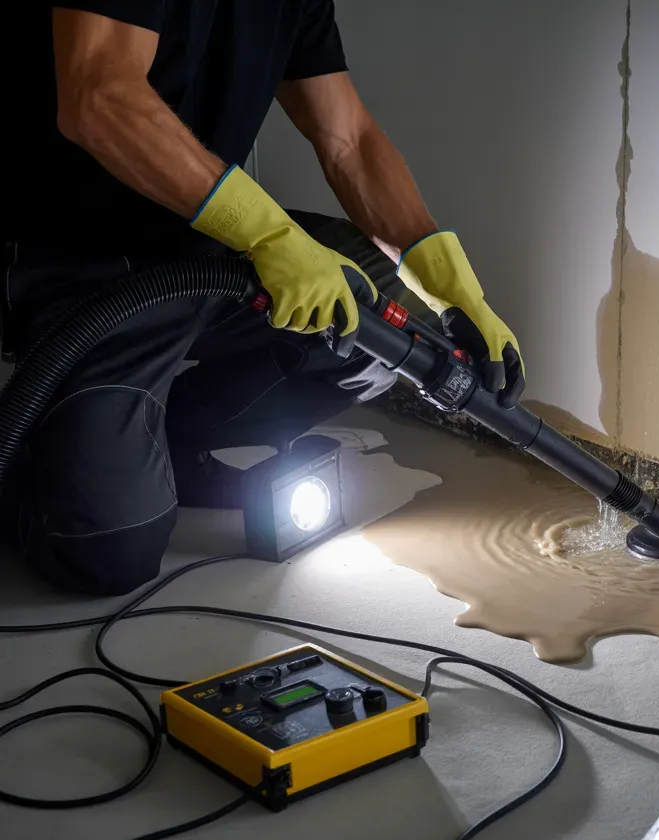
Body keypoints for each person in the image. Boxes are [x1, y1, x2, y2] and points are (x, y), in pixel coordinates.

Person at [0, 2, 524, 596]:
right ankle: (42, 463)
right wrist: (269, 234)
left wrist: (453, 290)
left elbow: (347, 138)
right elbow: (99, 97)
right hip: (78, 267)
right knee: (106, 556)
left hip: (199, 245)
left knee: (383, 311)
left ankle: (166, 445)